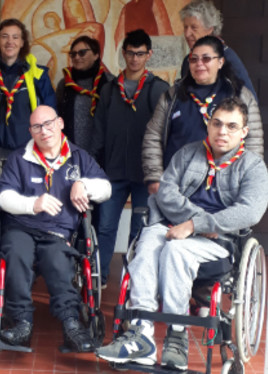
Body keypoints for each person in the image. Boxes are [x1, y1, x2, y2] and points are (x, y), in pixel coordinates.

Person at [95, 97, 268, 371]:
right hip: (171, 227)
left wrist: (197, 226)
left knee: (176, 250)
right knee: (148, 241)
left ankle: (177, 333)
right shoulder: (188, 153)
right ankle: (142, 334)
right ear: (208, 126)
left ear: (244, 132)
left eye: (232, 126)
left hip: (217, 241)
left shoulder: (253, 166)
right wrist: (188, 222)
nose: (223, 131)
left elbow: (250, 212)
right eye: (217, 124)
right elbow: (166, 193)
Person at [0, 105, 111, 352]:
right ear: (30, 131)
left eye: (48, 124)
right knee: (16, 254)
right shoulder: (19, 158)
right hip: (21, 228)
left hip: (58, 232)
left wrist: (83, 184)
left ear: (60, 123)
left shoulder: (79, 157)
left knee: (58, 261)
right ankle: (22, 323)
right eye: (37, 127)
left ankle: (71, 323)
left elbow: (106, 189)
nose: (44, 130)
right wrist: (33, 204)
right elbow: (4, 196)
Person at [91, 29, 169, 286]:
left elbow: (167, 132)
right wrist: (96, 164)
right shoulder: (110, 89)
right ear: (123, 53)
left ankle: (134, 280)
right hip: (112, 171)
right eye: (130, 53)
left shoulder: (159, 90)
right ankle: (99, 277)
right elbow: (99, 129)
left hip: (146, 174)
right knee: (105, 225)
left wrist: (161, 169)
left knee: (140, 228)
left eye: (140, 54)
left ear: (149, 55)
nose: (134, 59)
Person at [142, 35, 263, 195]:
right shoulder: (172, 96)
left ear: (220, 62)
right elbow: (153, 136)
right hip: (177, 186)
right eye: (194, 59)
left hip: (224, 188)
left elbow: (253, 140)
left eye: (206, 59)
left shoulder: (239, 94)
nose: (199, 64)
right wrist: (155, 177)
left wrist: (250, 180)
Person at [0, 18, 56, 203]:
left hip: (29, 153)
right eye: (4, 36)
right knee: (1, 205)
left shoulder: (38, 75)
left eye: (15, 37)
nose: (10, 42)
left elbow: (51, 114)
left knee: (29, 205)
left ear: (22, 42)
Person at [179, 0, 257, 100]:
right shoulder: (187, 61)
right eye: (185, 27)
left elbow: (250, 102)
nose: (187, 34)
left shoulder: (228, 58)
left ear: (210, 29)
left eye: (194, 28)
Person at [56, 35, 113, 152]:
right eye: (73, 54)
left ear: (96, 55)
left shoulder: (110, 83)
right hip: (71, 153)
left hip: (103, 154)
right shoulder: (65, 84)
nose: (77, 57)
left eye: (82, 53)